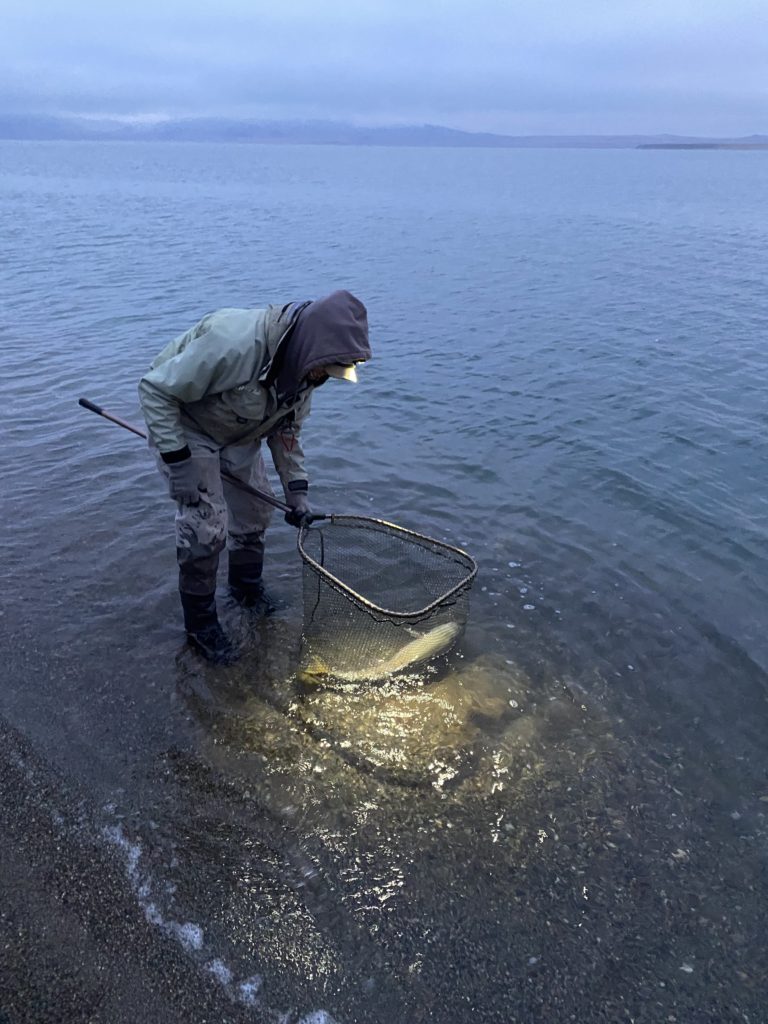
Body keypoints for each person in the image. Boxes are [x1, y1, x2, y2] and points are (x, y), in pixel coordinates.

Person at [138, 289, 371, 664]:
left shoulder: (305, 372)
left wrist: (297, 494)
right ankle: (201, 627)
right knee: (205, 527)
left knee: (255, 512)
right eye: (323, 370)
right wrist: (179, 462)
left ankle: (245, 590)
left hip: (237, 431)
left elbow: (286, 433)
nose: (322, 378)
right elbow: (155, 390)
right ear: (312, 347)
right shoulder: (235, 343)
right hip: (187, 425)